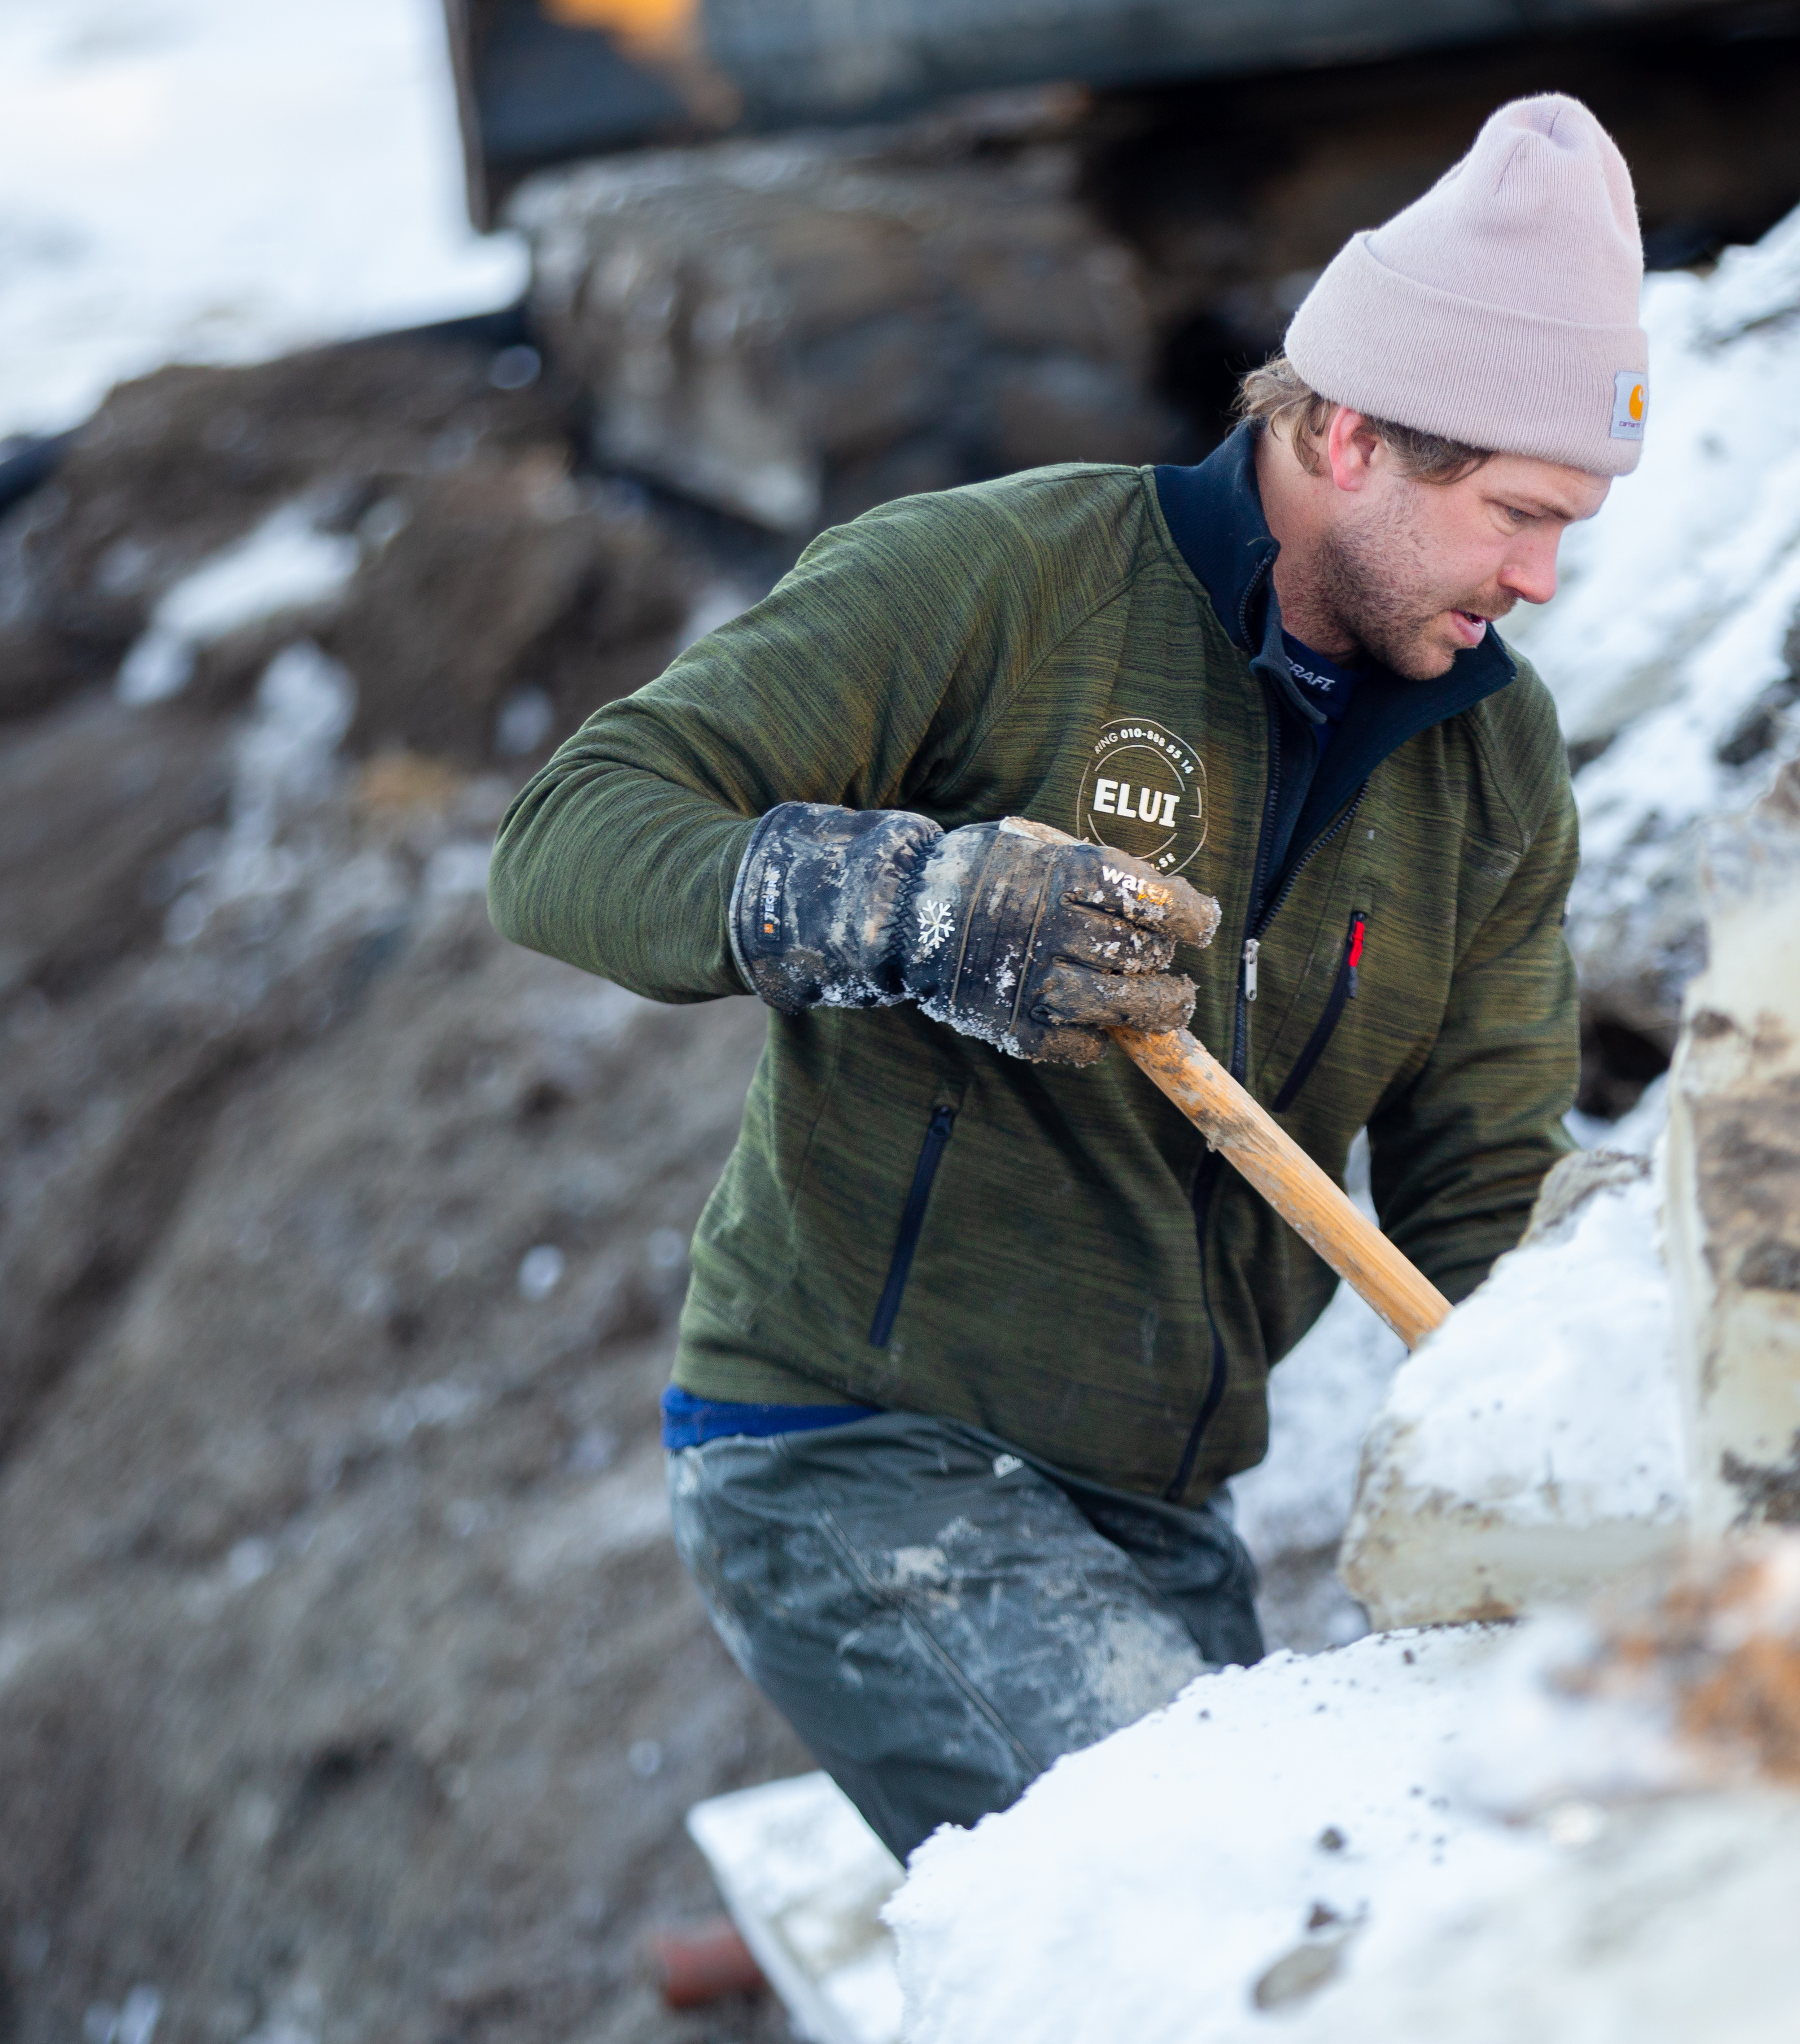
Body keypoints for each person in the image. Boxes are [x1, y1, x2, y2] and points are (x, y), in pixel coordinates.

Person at [487, 93, 1649, 1859]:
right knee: (1220, 1905)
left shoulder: (1491, 765)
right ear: (1348, 435)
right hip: (859, 1459)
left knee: (1335, 1913)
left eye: (1568, 524)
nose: (1544, 578)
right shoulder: (1001, 585)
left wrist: (1572, 1439)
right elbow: (570, 836)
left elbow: (1481, 1171)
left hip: (1163, 1510)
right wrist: (913, 905)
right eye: (1515, 512)